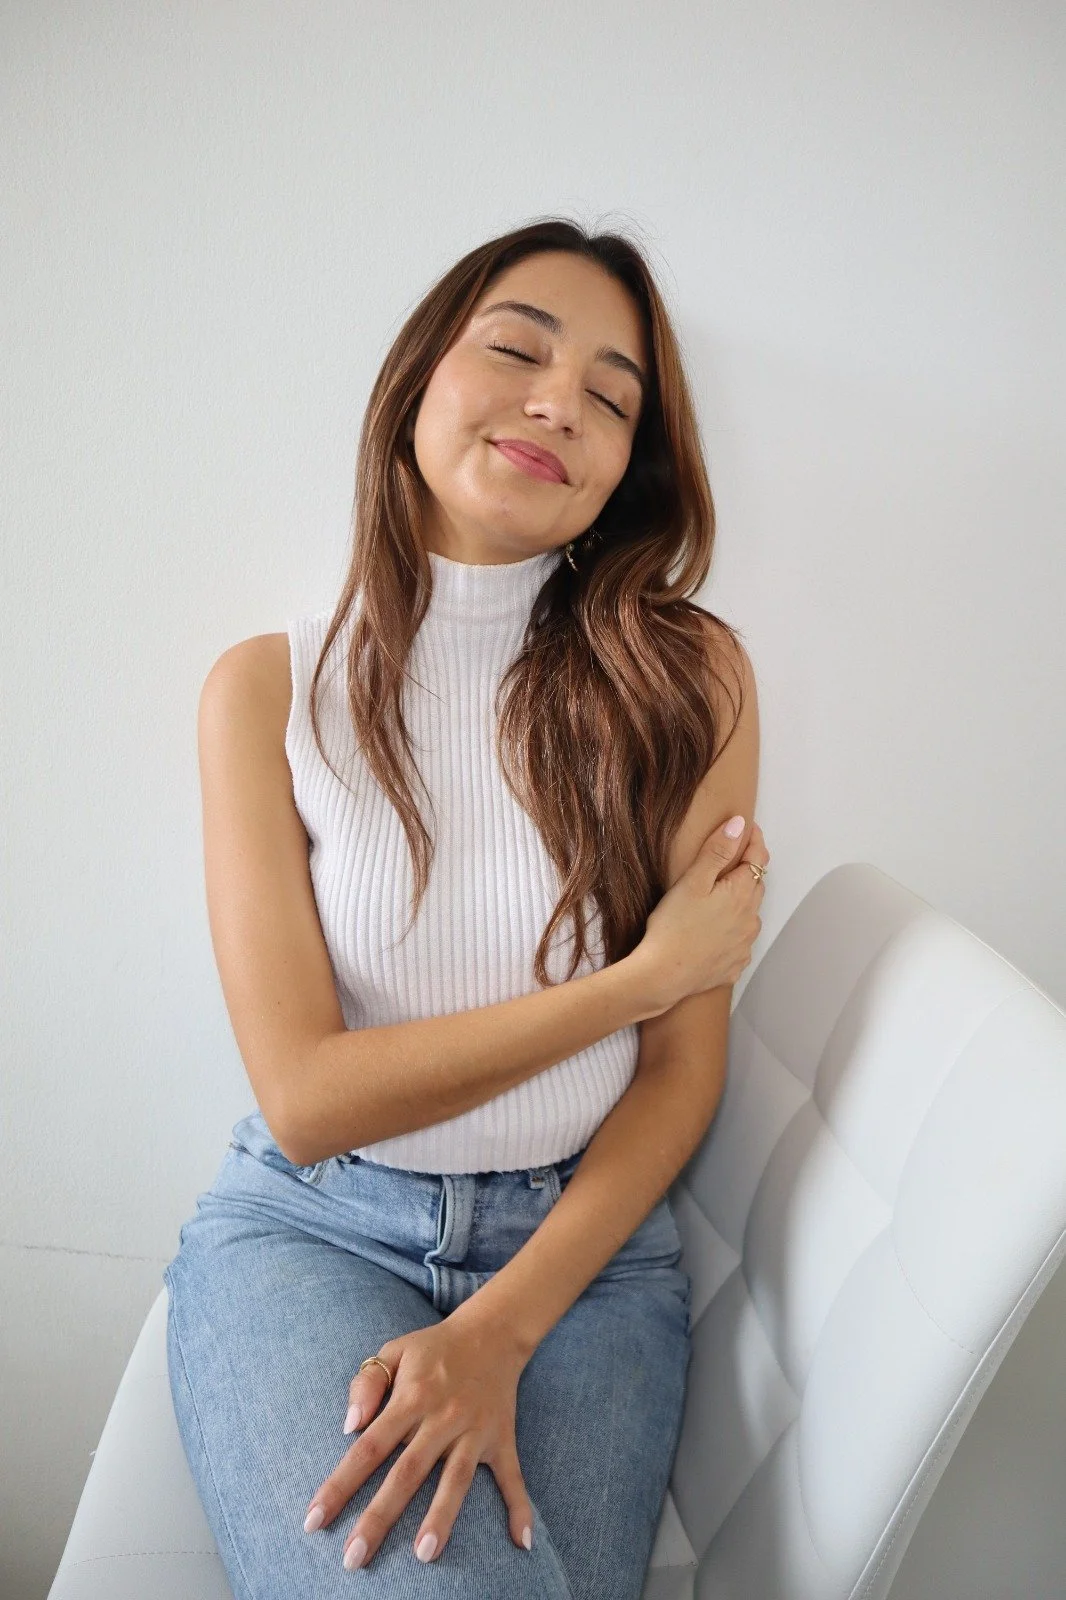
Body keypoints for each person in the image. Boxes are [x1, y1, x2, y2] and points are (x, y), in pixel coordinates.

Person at [163, 217, 770, 1600]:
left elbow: (680, 1078)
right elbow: (310, 1096)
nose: (560, 401)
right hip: (313, 1228)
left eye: (614, 400)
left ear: (628, 470)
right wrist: (626, 984)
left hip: (590, 1255)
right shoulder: (268, 692)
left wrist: (498, 1331)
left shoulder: (689, 682)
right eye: (516, 348)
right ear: (417, 378)